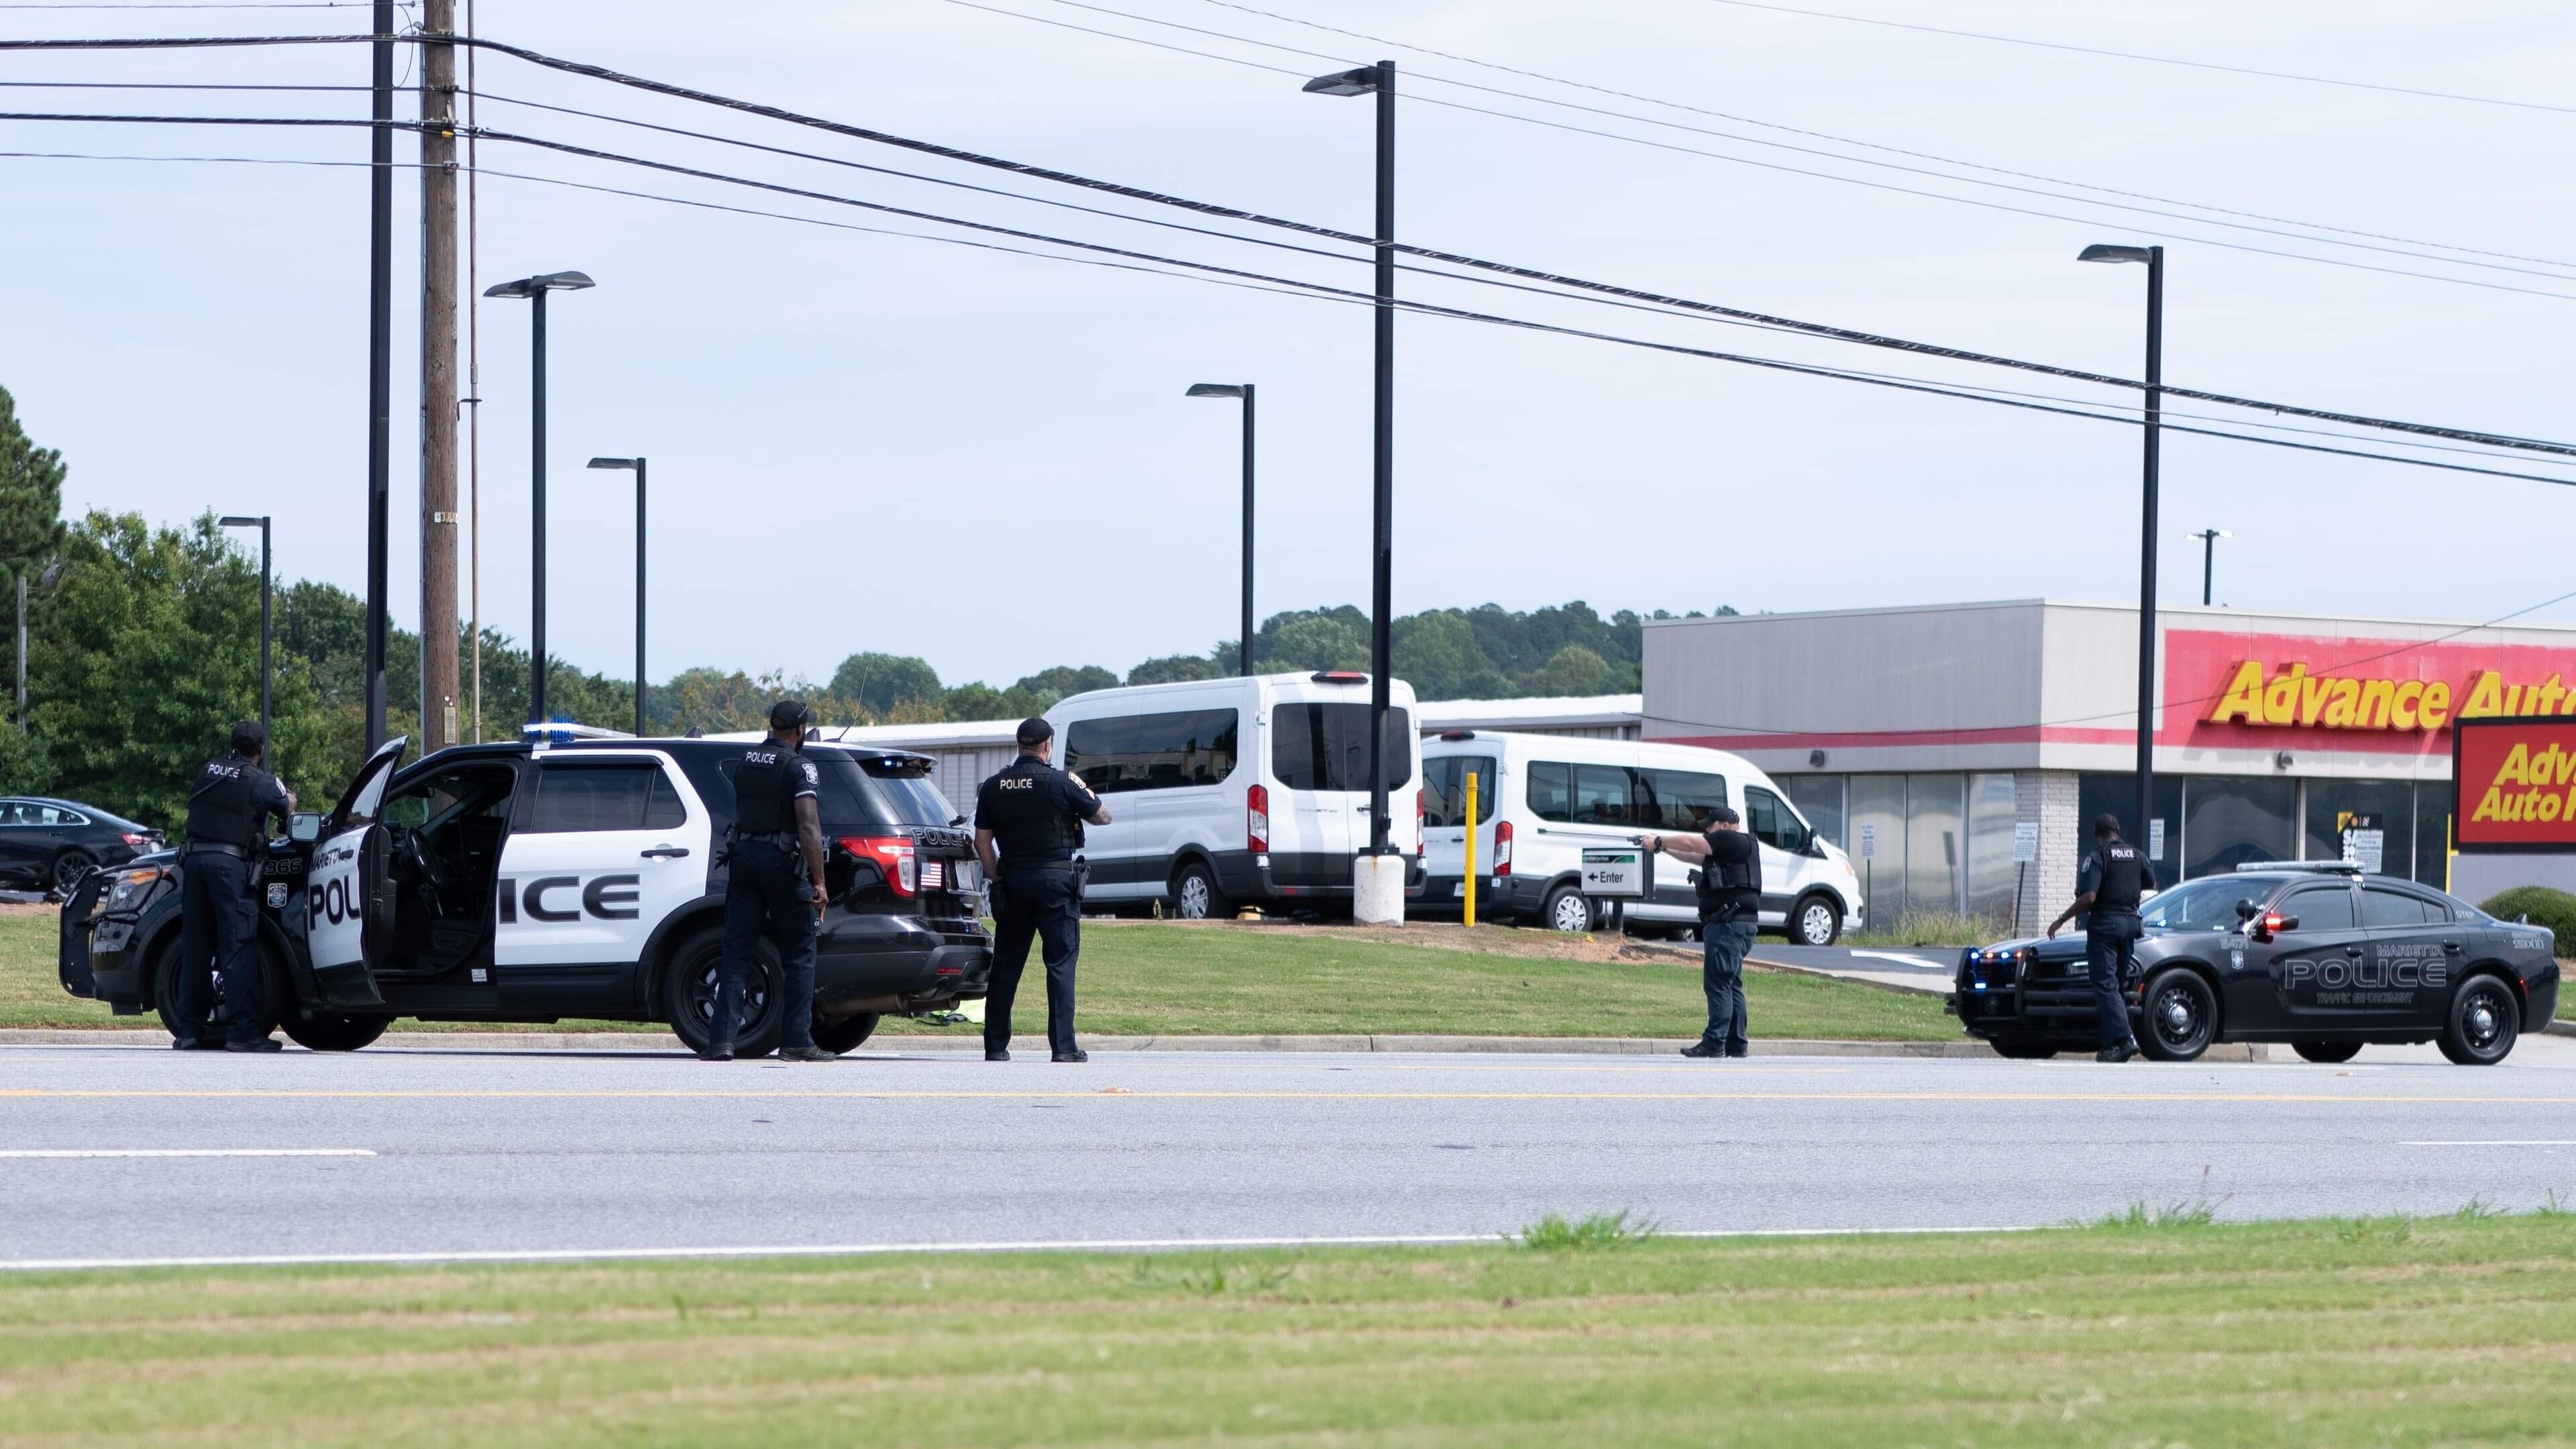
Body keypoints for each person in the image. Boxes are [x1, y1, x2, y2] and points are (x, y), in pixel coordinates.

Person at [974, 716, 1110, 1063]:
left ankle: (995, 1046)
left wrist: (997, 878)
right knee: (1060, 964)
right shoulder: (1062, 781)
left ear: (1019, 745)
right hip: (1055, 884)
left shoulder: (993, 786)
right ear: (1048, 745)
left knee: (1006, 966)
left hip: (1013, 882)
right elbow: (1101, 816)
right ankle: (1063, 1048)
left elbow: (982, 842)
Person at [712, 699, 833, 1063]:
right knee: (800, 953)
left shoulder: (746, 761)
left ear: (772, 726)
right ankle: (796, 1041)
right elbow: (808, 826)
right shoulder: (800, 767)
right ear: (801, 730)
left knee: (737, 951)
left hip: (744, 858)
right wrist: (820, 882)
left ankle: (721, 1041)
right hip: (782, 862)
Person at [173, 720, 295, 1052]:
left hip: (194, 864)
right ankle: (242, 1034)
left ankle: (189, 1032)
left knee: (196, 947)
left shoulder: (207, 771)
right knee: (238, 945)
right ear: (261, 750)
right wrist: (290, 799)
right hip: (229, 868)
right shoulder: (260, 780)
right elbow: (285, 806)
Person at [1642, 805, 1761, 1059]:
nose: (1707, 830)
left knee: (1718, 983)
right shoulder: (1733, 848)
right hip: (1736, 923)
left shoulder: (1730, 839)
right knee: (1731, 984)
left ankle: (1714, 1042)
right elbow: (1693, 855)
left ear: (1726, 825)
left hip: (1728, 924)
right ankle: (1736, 1044)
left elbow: (1691, 843)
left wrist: (1660, 840)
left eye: (1711, 826)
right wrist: (1662, 848)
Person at [2047, 812, 2156, 1063]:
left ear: (2097, 834)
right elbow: (2151, 884)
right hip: (2130, 925)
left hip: (2106, 927)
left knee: (2105, 985)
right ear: (2118, 831)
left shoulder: (2097, 857)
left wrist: (2062, 919)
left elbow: (2089, 898)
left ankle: (2125, 1039)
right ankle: (2112, 1047)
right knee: (2115, 987)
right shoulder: (2138, 855)